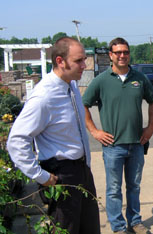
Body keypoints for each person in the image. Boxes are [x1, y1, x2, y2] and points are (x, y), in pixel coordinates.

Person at [7, 37, 100, 234]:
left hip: (82, 170)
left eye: (84, 59)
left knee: (90, 228)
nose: (84, 65)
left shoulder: (71, 85)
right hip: (61, 174)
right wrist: (39, 176)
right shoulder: (44, 97)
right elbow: (16, 141)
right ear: (60, 61)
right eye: (78, 61)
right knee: (67, 229)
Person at [82, 37, 153, 234]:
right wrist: (94, 131)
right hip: (113, 146)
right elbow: (84, 105)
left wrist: (150, 128)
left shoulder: (139, 78)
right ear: (111, 55)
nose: (122, 55)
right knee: (114, 189)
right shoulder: (101, 80)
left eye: (125, 52)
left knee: (134, 186)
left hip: (136, 144)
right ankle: (118, 226)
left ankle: (135, 222)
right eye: (118, 52)